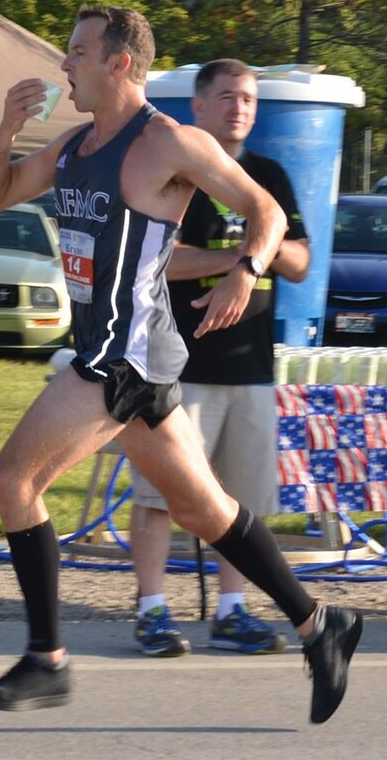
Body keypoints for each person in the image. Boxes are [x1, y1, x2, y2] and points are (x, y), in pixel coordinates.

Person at [0, 6, 362, 723]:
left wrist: (246, 267)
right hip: (127, 355)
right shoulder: (74, 146)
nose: (65, 65)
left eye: (77, 51)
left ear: (120, 62)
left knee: (13, 480)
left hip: (122, 357)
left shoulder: (171, 143)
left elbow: (265, 210)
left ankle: (47, 660)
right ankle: (319, 623)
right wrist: (5, 130)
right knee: (201, 508)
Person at [125, 58, 310, 657]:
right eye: (228, 97)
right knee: (162, 496)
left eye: (249, 99)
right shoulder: (181, 173)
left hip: (251, 367)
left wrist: (257, 254)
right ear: (198, 107)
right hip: (181, 369)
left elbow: (301, 261)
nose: (240, 108)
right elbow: (162, 260)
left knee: (240, 501)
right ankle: (152, 610)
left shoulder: (268, 177)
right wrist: (237, 258)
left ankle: (233, 611)